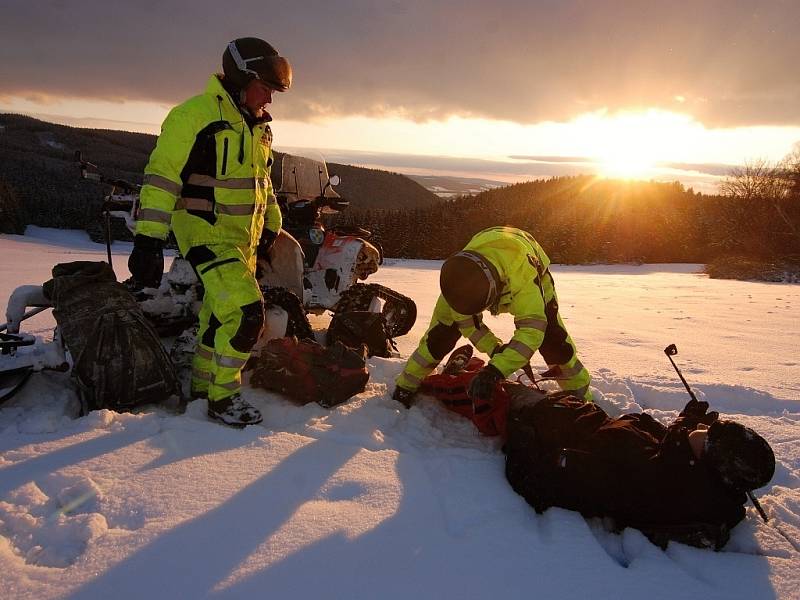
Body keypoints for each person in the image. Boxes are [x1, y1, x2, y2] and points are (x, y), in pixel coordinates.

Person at [128, 37, 292, 426]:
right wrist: (149, 239)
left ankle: (202, 387)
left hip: (242, 240)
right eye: (265, 88)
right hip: (205, 233)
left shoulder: (259, 129)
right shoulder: (193, 115)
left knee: (219, 319)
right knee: (248, 314)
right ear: (241, 77)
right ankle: (223, 398)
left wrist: (272, 225)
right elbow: (162, 177)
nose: (268, 99)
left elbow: (262, 183)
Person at [503, 384, 776, 549]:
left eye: (708, 435)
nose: (704, 427)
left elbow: (541, 480)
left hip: (550, 419)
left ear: (710, 462)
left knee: (488, 389)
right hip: (577, 415)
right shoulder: (692, 478)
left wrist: (520, 442)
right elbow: (672, 457)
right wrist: (686, 424)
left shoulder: (642, 477)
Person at [393, 226, 591, 408]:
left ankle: (581, 396)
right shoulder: (456, 282)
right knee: (439, 337)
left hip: (528, 268)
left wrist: (495, 371)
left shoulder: (521, 272)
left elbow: (532, 331)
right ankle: (405, 386)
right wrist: (495, 349)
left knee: (554, 344)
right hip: (480, 270)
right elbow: (468, 324)